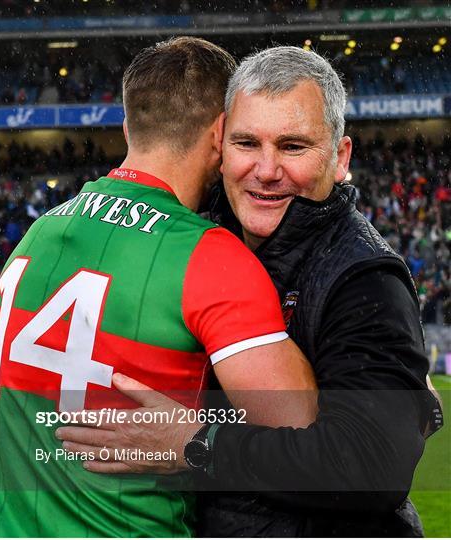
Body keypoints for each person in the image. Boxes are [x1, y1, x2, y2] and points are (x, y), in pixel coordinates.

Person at [57, 47, 442, 537]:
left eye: (293, 147)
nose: (265, 169)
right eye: (246, 143)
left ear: (340, 157)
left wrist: (196, 445)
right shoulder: (202, 226)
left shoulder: (364, 279)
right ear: (219, 147)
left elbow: (370, 469)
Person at [0, 39, 318, 538]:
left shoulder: (36, 235)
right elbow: (302, 434)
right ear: (220, 134)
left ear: (128, 128)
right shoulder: (211, 256)